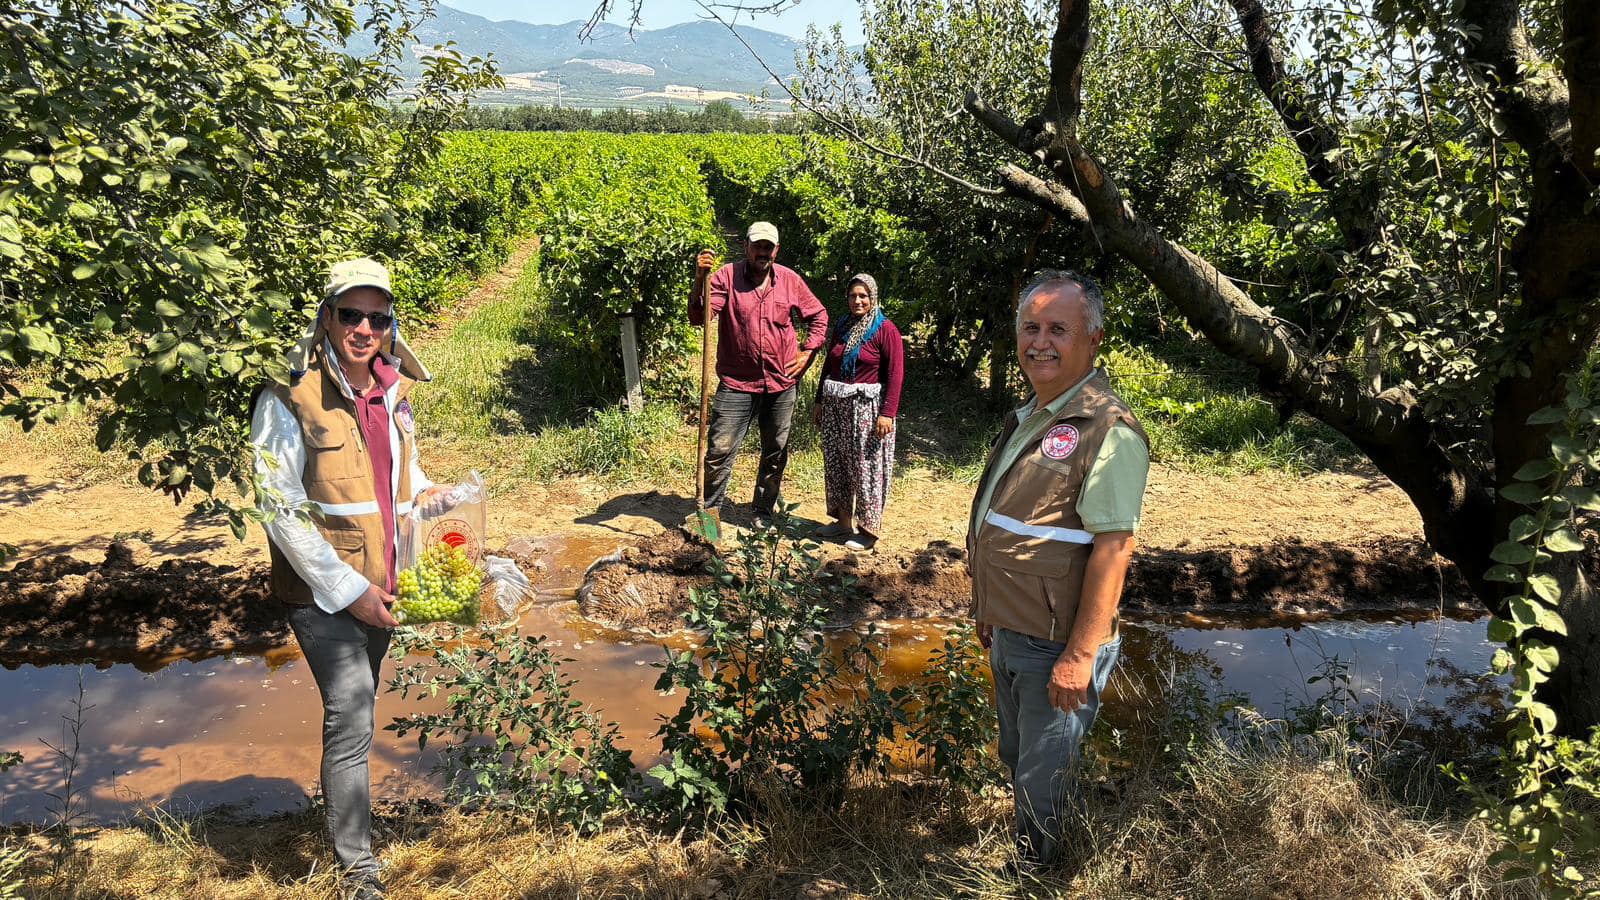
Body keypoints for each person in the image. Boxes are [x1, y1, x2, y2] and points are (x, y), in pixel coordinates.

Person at [251, 257, 447, 900]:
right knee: (353, 709)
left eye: (378, 317)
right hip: (322, 590)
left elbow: (399, 482)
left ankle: (343, 822)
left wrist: (433, 497)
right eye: (351, 314)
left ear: (391, 324)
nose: (365, 328)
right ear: (327, 318)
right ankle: (358, 869)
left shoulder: (393, 392)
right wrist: (349, 591)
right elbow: (279, 508)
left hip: (381, 584)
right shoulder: (288, 396)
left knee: (355, 713)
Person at [966, 269, 1150, 869]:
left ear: (1093, 339)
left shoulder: (1108, 429)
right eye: (1031, 327)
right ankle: (1033, 857)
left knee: (1043, 781)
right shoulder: (1040, 414)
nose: (1040, 341)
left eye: (1058, 330)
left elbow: (1113, 549)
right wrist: (988, 609)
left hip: (1056, 644)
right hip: (1014, 627)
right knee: (1021, 761)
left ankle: (1037, 875)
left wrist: (1079, 655)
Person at [689, 221, 828, 523]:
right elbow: (700, 317)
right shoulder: (725, 277)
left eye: (768, 247)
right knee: (719, 451)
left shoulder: (790, 280)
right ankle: (709, 520)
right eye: (757, 246)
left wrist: (808, 352)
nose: (762, 252)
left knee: (775, 451)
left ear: (776, 250)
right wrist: (700, 278)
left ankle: (762, 512)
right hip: (737, 383)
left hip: (781, 383)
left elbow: (818, 315)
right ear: (746, 247)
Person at [812, 273, 904, 551]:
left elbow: (895, 374)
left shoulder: (885, 329)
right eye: (853, 295)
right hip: (836, 406)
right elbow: (829, 365)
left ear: (873, 297)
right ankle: (842, 523)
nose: (857, 300)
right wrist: (819, 401)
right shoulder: (842, 326)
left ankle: (868, 531)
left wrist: (887, 413)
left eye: (863, 295)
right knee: (837, 463)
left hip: (867, 409)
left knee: (866, 468)